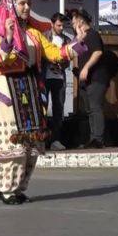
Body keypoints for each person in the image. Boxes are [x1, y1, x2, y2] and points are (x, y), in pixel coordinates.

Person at [0, 0, 87, 205]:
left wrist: (78, 42)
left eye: (28, 3)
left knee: (31, 146)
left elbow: (55, 53)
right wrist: (8, 39)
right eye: (22, 3)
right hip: (8, 89)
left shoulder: (34, 32)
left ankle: (19, 187)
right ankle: (5, 189)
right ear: (12, 5)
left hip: (29, 89)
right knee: (12, 145)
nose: (27, 7)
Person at [75, 9, 110, 149]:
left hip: (97, 77)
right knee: (89, 109)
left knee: (95, 107)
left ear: (80, 22)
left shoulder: (93, 34)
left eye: (74, 22)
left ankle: (98, 139)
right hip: (86, 79)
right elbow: (76, 52)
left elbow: (97, 52)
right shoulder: (83, 37)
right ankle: (93, 137)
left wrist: (86, 68)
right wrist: (78, 38)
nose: (73, 24)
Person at [43, 13, 71, 150]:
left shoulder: (66, 40)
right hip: (45, 77)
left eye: (63, 26)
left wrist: (62, 63)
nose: (61, 28)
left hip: (59, 79)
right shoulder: (45, 37)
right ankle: (41, 139)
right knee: (42, 107)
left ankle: (55, 140)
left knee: (58, 109)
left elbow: (68, 60)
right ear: (52, 24)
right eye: (59, 25)